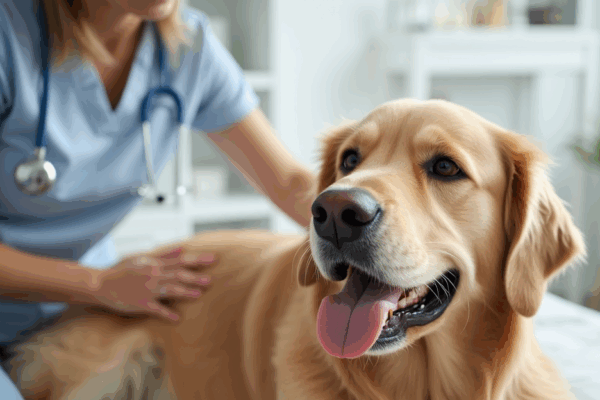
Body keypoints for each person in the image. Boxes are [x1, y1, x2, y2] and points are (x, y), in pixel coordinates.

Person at [0, 0, 314, 396]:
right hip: (86, 289)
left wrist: (377, 226)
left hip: (76, 312)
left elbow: (288, 182)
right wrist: (97, 283)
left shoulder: (187, 47)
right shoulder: (9, 33)